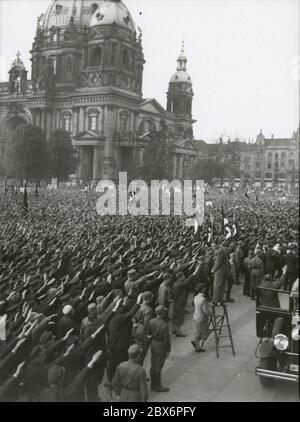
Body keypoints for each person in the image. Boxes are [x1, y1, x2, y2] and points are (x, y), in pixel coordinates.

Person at [147, 305, 171, 393]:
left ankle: (153, 383)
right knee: (158, 366)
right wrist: (168, 350)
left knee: (153, 364)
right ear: (163, 313)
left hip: (153, 343)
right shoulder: (164, 325)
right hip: (161, 345)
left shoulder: (151, 321)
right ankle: (157, 385)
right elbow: (166, 339)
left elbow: (148, 333)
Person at [191, 284, 213, 352]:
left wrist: (207, 304)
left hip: (195, 317)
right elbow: (206, 311)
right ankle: (196, 341)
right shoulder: (203, 299)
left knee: (197, 332)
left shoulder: (196, 297)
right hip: (202, 318)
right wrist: (213, 315)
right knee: (206, 333)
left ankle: (197, 346)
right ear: (203, 289)